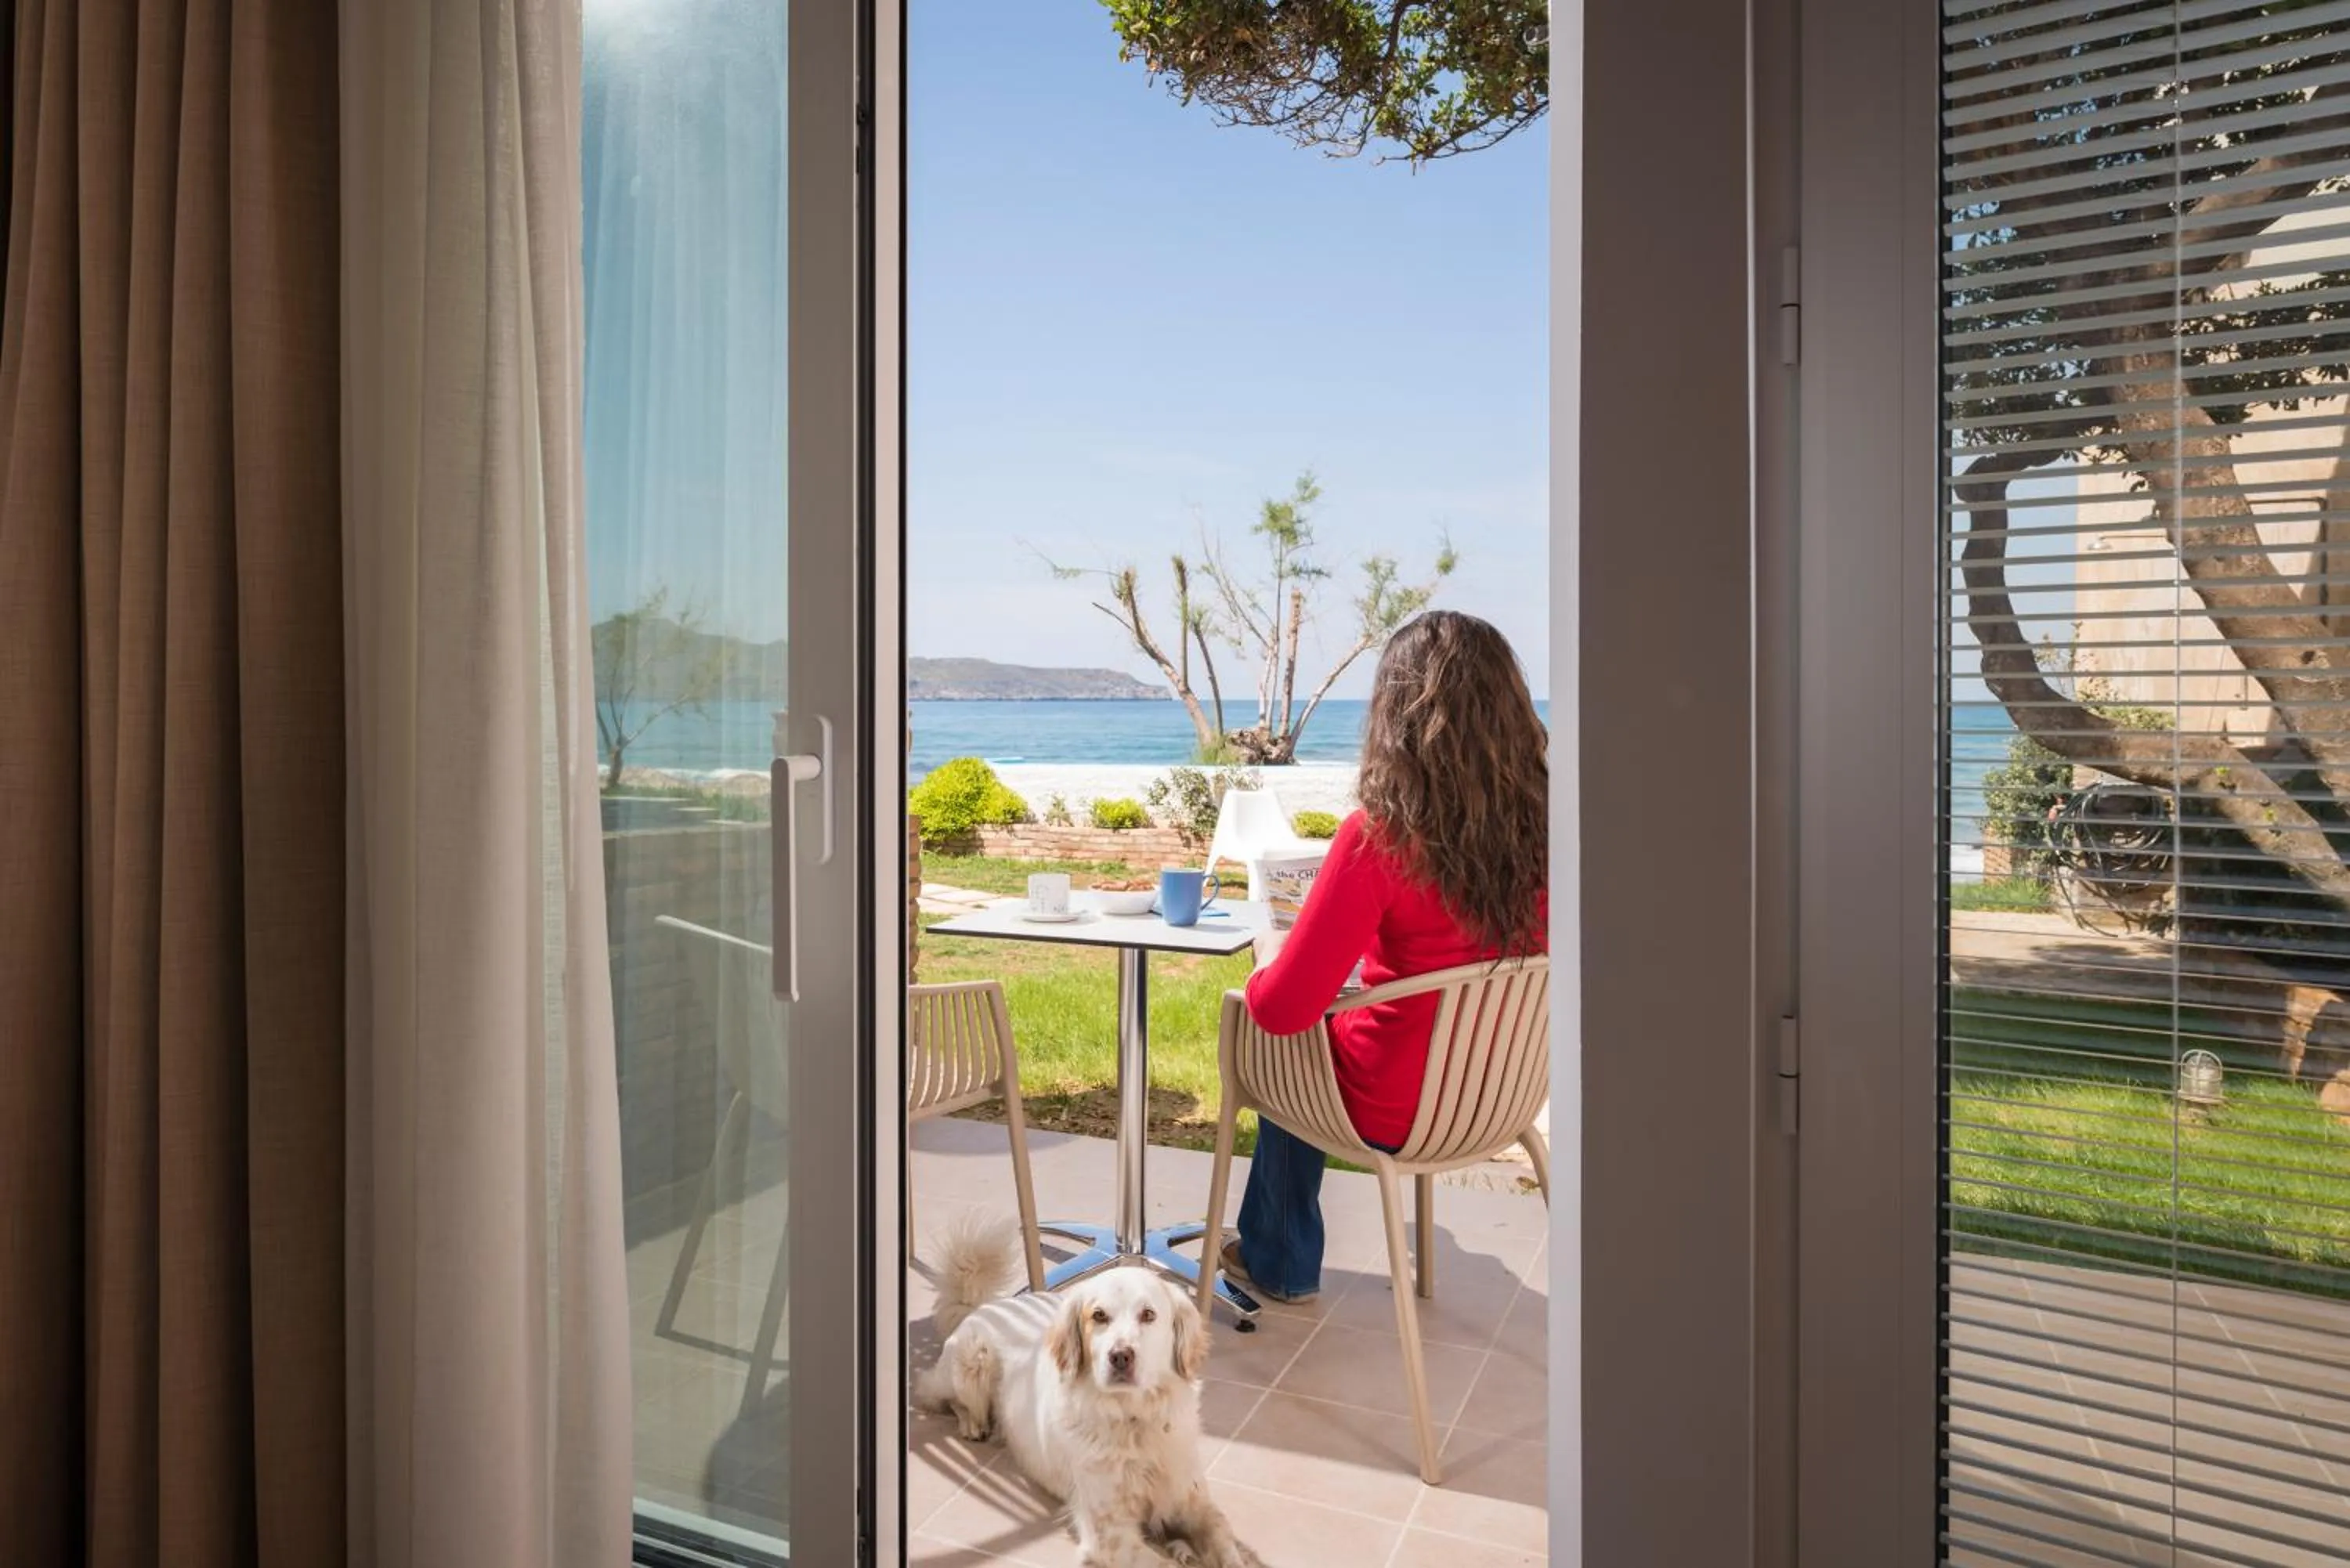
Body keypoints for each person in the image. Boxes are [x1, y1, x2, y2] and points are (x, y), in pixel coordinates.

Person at [1221, 609, 1549, 1304]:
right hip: (1506, 1094)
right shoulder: (1562, 836)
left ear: (1395, 717)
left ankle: (1278, 1259)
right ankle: (1277, 1250)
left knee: (1269, 1027)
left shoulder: (1381, 838)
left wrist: (1266, 959)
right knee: (1324, 1022)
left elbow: (1282, 1012)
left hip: (1394, 1106)